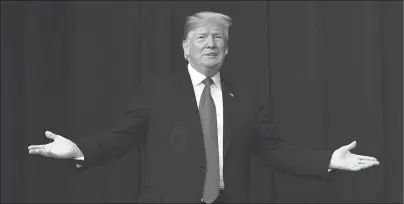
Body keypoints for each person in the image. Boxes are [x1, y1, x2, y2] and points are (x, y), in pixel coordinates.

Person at [28, 11, 380, 203]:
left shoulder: (246, 98)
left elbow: (275, 151)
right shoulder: (157, 91)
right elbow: (121, 138)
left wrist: (328, 160)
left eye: (218, 38)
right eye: (201, 37)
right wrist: (79, 150)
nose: (210, 44)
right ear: (185, 48)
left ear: (227, 49)